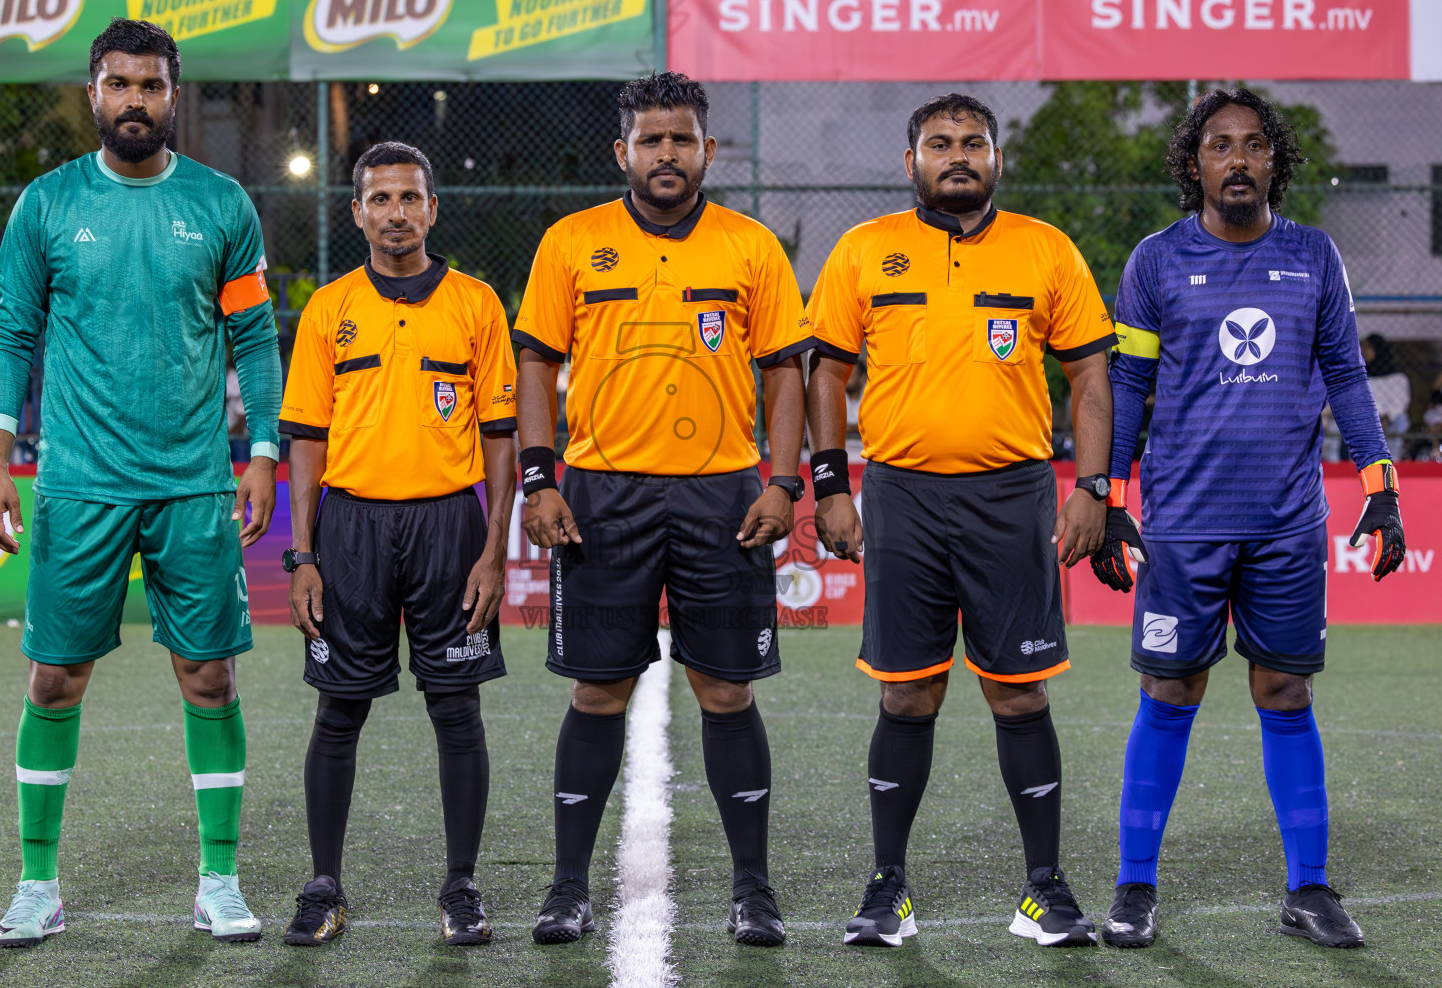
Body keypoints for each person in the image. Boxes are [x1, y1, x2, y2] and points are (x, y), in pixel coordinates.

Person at [0, 19, 282, 947]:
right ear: (94, 92)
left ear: (173, 94)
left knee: (209, 675)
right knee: (55, 679)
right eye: (119, 85)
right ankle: (38, 884)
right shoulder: (48, 203)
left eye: (152, 85)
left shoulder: (223, 204)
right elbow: (12, 333)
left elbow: (257, 341)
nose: (135, 101)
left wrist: (261, 451)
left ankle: (218, 881)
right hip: (79, 483)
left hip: (192, 483)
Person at [1091, 87, 1405, 950]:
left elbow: (1346, 376)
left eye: (1254, 145)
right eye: (1220, 145)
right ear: (1195, 163)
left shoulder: (1314, 256)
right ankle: (1135, 888)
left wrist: (1382, 484)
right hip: (1184, 527)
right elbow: (1128, 389)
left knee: (1286, 691)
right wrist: (1113, 501)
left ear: (1276, 160)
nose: (1238, 159)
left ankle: (1308, 888)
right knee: (1169, 692)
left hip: (1287, 525)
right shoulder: (1155, 262)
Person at [807, 93, 1116, 949]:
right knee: (909, 693)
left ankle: (1044, 890)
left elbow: (1093, 377)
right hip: (901, 494)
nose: (957, 155)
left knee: (1018, 692)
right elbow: (825, 374)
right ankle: (888, 889)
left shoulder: (1045, 249)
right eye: (938, 143)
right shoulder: (864, 250)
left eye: (973, 142)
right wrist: (829, 484)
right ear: (910, 162)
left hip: (1012, 494)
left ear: (995, 158)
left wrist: (1093, 487)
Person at [512, 72, 812, 948]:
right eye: (652, 140)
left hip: (724, 496)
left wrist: (784, 480)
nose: (668, 154)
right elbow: (535, 363)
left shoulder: (751, 247)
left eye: (682, 139)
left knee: (725, 691)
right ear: (624, 153)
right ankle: (569, 885)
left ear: (707, 150)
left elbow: (784, 369)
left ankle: (752, 888)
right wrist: (539, 478)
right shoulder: (573, 242)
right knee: (599, 693)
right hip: (603, 495)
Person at [277, 142, 518, 947]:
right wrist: (303, 555)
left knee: (457, 707)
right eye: (379, 200)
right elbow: (306, 439)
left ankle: (461, 887)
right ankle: (323, 886)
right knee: (338, 709)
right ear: (356, 212)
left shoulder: (477, 304)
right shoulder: (329, 309)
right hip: (351, 529)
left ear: (432, 207)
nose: (396, 213)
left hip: (450, 525)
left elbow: (500, 439)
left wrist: (493, 550)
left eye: (410, 198)